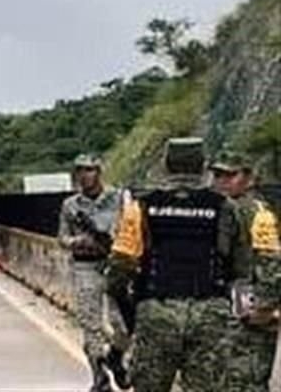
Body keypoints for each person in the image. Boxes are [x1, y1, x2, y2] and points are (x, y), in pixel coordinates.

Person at [106, 137, 278, 392]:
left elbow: (121, 264)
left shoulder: (141, 205)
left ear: (165, 165)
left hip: (156, 312)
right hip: (211, 315)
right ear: (202, 166)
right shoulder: (227, 207)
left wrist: (128, 305)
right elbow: (243, 266)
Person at [58, 153, 131, 392]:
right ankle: (99, 377)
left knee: (123, 324)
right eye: (79, 170)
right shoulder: (71, 205)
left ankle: (115, 357)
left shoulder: (119, 198)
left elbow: (131, 227)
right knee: (91, 325)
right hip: (86, 266)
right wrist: (79, 241)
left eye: (89, 170)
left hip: (114, 265)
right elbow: (62, 238)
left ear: (99, 172)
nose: (84, 176)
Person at [211, 149, 281, 392]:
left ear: (249, 178)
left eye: (230, 175)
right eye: (218, 175)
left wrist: (264, 308)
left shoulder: (255, 213)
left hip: (251, 308)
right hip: (232, 305)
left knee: (248, 381)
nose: (221, 181)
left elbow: (272, 263)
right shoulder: (229, 208)